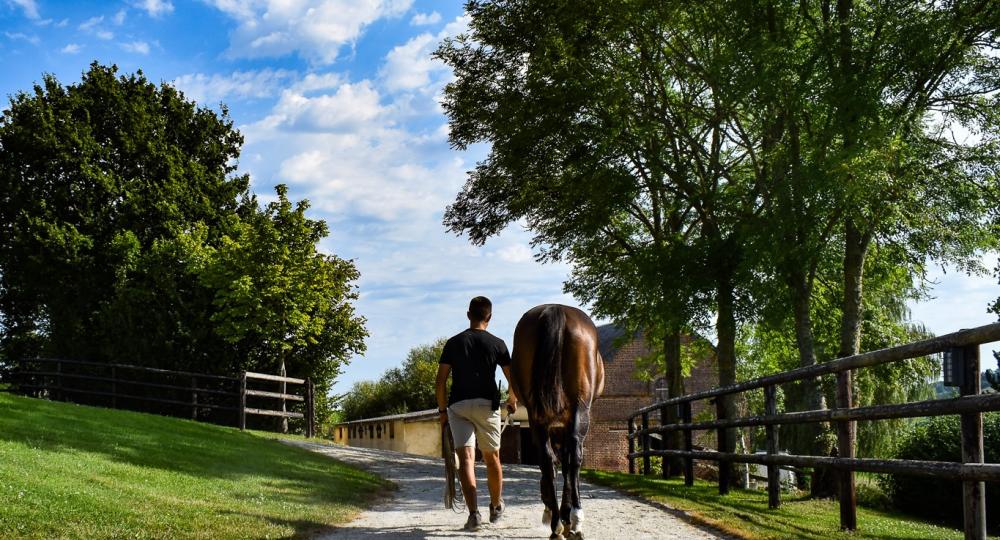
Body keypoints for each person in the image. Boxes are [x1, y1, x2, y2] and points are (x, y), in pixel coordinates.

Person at [436, 296, 518, 531]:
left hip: (458, 406)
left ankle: (474, 514)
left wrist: (442, 411)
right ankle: (496, 505)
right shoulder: (498, 344)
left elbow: (440, 382)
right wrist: (512, 399)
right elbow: (513, 379)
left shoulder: (453, 343)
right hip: (486, 406)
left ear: (468, 315)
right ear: (489, 317)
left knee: (466, 460)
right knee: (492, 459)